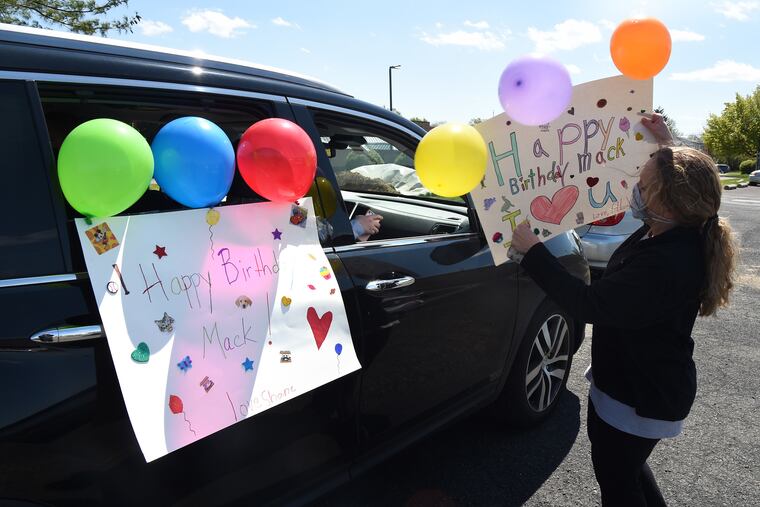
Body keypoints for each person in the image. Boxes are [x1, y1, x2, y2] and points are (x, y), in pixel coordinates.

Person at [510, 114, 737, 506]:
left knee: (618, 483)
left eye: (644, 185)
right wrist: (666, 145)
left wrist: (533, 251)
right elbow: (693, 180)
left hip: (639, 396)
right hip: (640, 383)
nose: (636, 188)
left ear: (667, 200)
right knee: (628, 471)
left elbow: (588, 303)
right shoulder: (681, 227)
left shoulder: (667, 261)